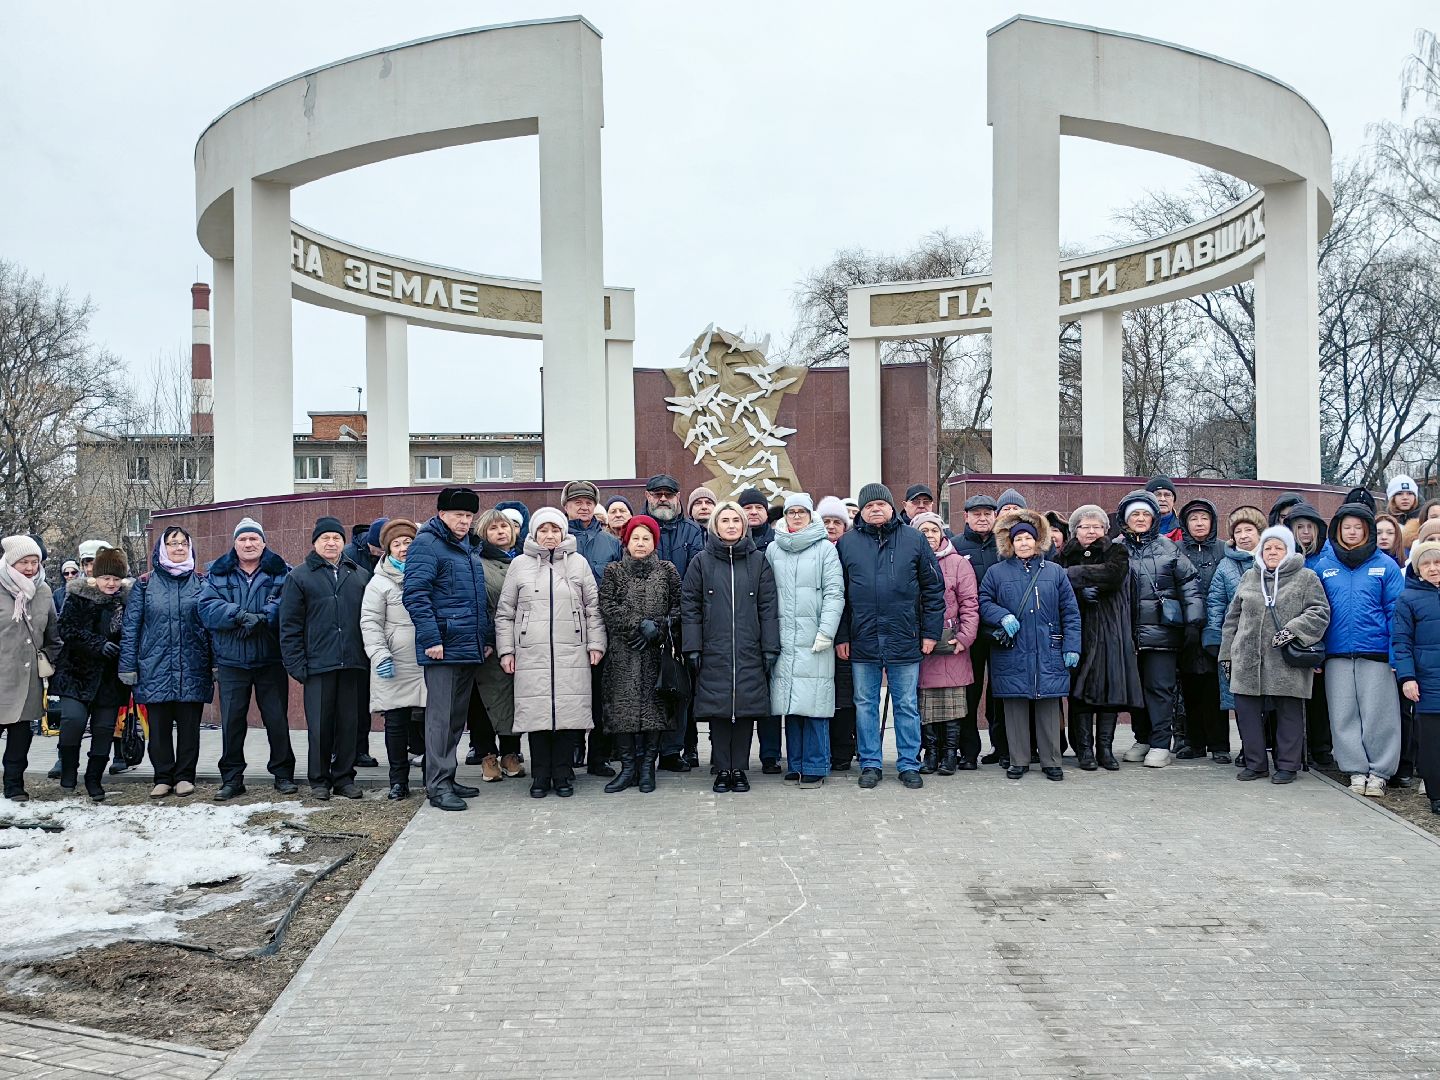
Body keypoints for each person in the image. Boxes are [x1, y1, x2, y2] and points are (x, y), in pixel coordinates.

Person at [835, 483, 944, 790]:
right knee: (865, 702)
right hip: (862, 638)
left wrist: (930, 633)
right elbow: (837, 595)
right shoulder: (847, 543)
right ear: (861, 511)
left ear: (892, 507)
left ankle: (909, 762)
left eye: (881, 504)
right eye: (869, 506)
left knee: (906, 704)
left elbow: (933, 590)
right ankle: (870, 763)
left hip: (905, 635)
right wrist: (842, 636)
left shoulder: (914, 539)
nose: (876, 509)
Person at [496, 507, 606, 799]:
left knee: (568, 715)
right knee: (537, 715)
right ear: (534, 533)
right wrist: (506, 650)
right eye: (543, 530)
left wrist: (596, 644)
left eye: (555, 530)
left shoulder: (578, 564)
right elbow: (505, 613)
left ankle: (563, 773)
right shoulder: (520, 564)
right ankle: (540, 775)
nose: (549, 536)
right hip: (531, 653)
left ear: (563, 532)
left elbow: (593, 609)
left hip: (572, 651)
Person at [402, 489, 492, 812]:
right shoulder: (427, 544)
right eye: (458, 516)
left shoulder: (467, 547)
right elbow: (415, 595)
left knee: (455, 719)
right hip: (442, 647)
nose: (465, 522)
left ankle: (447, 776)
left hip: (467, 646)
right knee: (440, 720)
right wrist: (431, 639)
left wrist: (485, 638)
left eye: (469, 517)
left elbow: (477, 599)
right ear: (442, 514)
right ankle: (437, 786)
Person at [1219, 526, 1331, 783]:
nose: (1272, 552)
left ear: (1288, 550)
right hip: (1247, 656)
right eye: (1267, 547)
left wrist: (1292, 631)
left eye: (1278, 547)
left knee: (1288, 712)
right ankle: (1256, 763)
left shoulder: (1306, 577)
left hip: (1286, 659)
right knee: (1246, 713)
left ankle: (1287, 766)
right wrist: (1226, 655)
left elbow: (1319, 612)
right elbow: (1231, 619)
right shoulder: (1249, 577)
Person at [682, 502, 779, 793]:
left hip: (749, 647)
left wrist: (770, 647)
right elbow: (690, 606)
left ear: (744, 525)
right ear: (715, 526)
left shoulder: (758, 560)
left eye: (735, 520)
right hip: (715, 648)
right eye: (724, 520)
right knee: (720, 711)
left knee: (745, 711)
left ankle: (740, 769)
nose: (731, 525)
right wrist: (692, 647)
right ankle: (722, 769)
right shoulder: (701, 561)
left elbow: (768, 606)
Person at [197, 517, 295, 800]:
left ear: (264, 542)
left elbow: (287, 603)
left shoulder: (281, 571)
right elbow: (206, 607)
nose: (249, 543)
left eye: (254, 538)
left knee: (276, 720)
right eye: (243, 539)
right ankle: (232, 778)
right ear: (235, 543)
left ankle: (283, 774)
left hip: (269, 660)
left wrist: (264, 617)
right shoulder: (217, 573)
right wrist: (239, 616)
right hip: (231, 662)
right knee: (232, 722)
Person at [979, 511, 1081, 780]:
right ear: (1010, 543)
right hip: (1013, 649)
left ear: (1038, 541)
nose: (1024, 543)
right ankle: (1018, 759)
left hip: (1048, 648)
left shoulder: (1055, 572)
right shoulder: (996, 572)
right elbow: (983, 602)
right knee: (1014, 707)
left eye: (1029, 538)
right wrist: (1002, 615)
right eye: (1019, 538)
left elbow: (1070, 611)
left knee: (1048, 704)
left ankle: (1051, 761)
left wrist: (1072, 646)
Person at [1313, 503, 1404, 797]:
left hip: (1376, 653)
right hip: (1336, 654)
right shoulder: (1324, 566)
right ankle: (1355, 769)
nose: (1352, 532)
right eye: (1346, 527)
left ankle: (1379, 773)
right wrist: (1316, 651)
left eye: (1358, 527)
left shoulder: (1385, 566)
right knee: (1343, 714)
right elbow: (1315, 611)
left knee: (1379, 715)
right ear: (1337, 530)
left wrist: (1395, 654)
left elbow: (1396, 613)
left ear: (1368, 531)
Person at [279, 516, 371, 801]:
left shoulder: (358, 574)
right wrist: (296, 665)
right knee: (320, 726)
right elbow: (289, 625)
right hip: (317, 665)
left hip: (353, 664)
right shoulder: (299, 576)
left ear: (343, 543)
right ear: (315, 543)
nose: (331, 543)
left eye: (336, 538)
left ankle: (344, 778)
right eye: (325, 539)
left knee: (349, 724)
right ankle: (319, 780)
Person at [119, 526, 213, 799]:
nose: (179, 548)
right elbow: (131, 627)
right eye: (172, 543)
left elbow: (210, 628)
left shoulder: (202, 583)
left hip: (193, 665)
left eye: (184, 543)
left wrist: (215, 663)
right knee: (158, 728)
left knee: (189, 727)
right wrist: (128, 666)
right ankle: (162, 776)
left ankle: (184, 776)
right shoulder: (145, 583)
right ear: (162, 549)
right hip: (155, 666)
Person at [1116, 490, 1203, 768]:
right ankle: (1142, 738)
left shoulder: (1168, 548)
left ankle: (1160, 743)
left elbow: (1189, 585)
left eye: (1145, 514)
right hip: (1127, 633)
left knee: (1159, 689)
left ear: (1153, 517)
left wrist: (1193, 622)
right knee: (1135, 690)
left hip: (1162, 634)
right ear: (1125, 519)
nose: (1140, 519)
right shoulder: (1116, 548)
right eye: (1135, 515)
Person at [598, 514, 682, 793]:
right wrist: (637, 625)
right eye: (636, 538)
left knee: (654, 711)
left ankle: (647, 768)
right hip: (623, 652)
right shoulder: (614, 570)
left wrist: (657, 629)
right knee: (622, 711)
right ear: (627, 540)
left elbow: (678, 607)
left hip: (655, 653)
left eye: (646, 538)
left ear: (654, 542)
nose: (641, 543)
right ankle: (628, 768)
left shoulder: (667, 570)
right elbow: (607, 606)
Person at [766, 494, 845, 787]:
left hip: (814, 639)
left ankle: (815, 764)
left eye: (802, 512)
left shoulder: (825, 549)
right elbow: (767, 595)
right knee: (790, 703)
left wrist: (827, 631)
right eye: (791, 512)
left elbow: (835, 592)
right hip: (784, 638)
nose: (796, 517)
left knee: (814, 704)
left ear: (811, 515)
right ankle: (795, 763)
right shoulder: (774, 549)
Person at [1060, 505, 1143, 771]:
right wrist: (1080, 592)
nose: (1092, 531)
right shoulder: (1064, 555)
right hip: (1078, 631)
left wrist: (1075, 577)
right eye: (1085, 526)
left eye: (1097, 526)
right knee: (1080, 691)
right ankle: (1084, 749)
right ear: (1075, 531)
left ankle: (1105, 749)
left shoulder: (1117, 551)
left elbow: (1113, 574)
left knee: (1110, 690)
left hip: (1111, 631)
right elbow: (1056, 584)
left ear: (1106, 530)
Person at [52, 545, 130, 801]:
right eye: (106, 578)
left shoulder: (126, 601)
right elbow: (66, 629)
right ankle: (68, 770)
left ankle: (94, 778)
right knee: (72, 721)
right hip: (76, 672)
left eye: (116, 579)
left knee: (105, 729)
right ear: (95, 576)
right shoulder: (78, 596)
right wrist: (97, 644)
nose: (111, 583)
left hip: (109, 679)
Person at [360, 519, 426, 800]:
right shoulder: (379, 582)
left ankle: (434, 777)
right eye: (396, 544)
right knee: (396, 723)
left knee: (430, 723)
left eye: (408, 542)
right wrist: (379, 654)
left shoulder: (428, 573)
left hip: (427, 659)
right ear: (388, 549)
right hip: (394, 661)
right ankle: (398, 780)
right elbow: (370, 622)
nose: (403, 549)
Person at [912, 511, 979, 775]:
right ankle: (931, 753)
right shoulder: (911, 560)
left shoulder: (959, 563)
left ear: (942, 533)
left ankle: (950, 754)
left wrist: (965, 637)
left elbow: (970, 604)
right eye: (923, 530)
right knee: (926, 705)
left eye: (933, 530)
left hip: (951, 643)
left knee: (951, 705)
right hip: (921, 645)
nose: (929, 535)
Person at [564, 480, 622, 779]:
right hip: (566, 629)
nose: (583, 506)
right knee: (572, 691)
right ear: (567, 506)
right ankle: (573, 748)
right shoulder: (558, 540)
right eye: (577, 501)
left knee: (602, 695)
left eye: (588, 501)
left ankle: (599, 755)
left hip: (602, 627)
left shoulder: (611, 542)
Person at [647, 474, 706, 771]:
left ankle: (673, 751)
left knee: (679, 691)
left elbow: (696, 580)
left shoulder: (693, 532)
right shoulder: (639, 529)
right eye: (656, 493)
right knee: (646, 690)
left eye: (668, 494)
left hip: (681, 625)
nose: (662, 498)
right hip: (646, 627)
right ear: (647, 496)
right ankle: (646, 754)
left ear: (678, 496)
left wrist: (679, 616)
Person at [1203, 505, 1267, 764]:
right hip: (1238, 642)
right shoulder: (1226, 565)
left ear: (1260, 533)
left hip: (1268, 641)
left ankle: (1269, 748)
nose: (1243, 535)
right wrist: (1216, 636)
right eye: (1238, 531)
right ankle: (1248, 749)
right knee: (1241, 699)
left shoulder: (1271, 559)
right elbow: (1216, 601)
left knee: (1268, 698)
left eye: (1248, 530)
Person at [465, 509, 525, 782]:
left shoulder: (525, 560)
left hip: (520, 644)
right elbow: (479, 605)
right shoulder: (476, 563)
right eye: (493, 528)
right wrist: (488, 637)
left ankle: (511, 753)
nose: (501, 532)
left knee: (513, 700)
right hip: (489, 645)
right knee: (484, 702)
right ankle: (487, 755)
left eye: (505, 526)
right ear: (483, 534)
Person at [1, 536, 61, 802]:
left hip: (27, 678)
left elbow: (53, 637)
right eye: (24, 561)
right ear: (11, 562)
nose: (29, 567)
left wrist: (47, 657)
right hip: (1, 674)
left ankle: (14, 785)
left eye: (34, 562)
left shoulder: (44, 591)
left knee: (20, 736)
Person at [1284, 500, 1337, 768]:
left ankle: (1321, 748)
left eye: (1309, 527)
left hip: (1322, 638)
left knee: (1320, 700)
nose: (1305, 532)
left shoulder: (1328, 560)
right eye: (1299, 527)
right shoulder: (1284, 560)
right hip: (1292, 638)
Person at [954, 494, 1004, 768]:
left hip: (999, 631)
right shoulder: (956, 545)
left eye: (987, 513)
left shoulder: (1005, 544)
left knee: (999, 693)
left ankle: (1001, 749)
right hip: (968, 632)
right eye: (977, 514)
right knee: (969, 694)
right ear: (966, 517)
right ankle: (968, 752)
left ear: (995, 516)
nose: (982, 518)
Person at [1175, 498, 1228, 761]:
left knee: (1215, 687)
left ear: (1212, 522)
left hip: (1217, 627)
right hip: (1185, 628)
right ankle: (1194, 743)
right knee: (1190, 686)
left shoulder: (1223, 549)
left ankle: (1219, 745)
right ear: (1185, 523)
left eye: (1204, 518)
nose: (1199, 523)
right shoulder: (1175, 549)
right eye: (1193, 519)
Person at [1391, 538, 1440, 814]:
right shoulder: (1408, 599)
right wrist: (1407, 678)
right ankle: (1437, 795)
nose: (1433, 568)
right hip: (1427, 683)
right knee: (1432, 743)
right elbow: (1402, 642)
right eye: (1426, 563)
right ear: (1417, 569)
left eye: (1437, 562)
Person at [816, 496, 857, 771]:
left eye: (836, 522)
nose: (831, 527)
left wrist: (843, 635)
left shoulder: (849, 552)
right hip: (815, 635)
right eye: (826, 521)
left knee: (844, 695)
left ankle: (843, 751)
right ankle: (822, 750)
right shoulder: (813, 550)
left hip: (845, 635)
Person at [1388, 474, 1422, 547]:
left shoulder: (1426, 520)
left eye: (1410, 493)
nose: (1405, 497)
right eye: (1400, 494)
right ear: (1392, 498)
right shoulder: (1384, 522)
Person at [1146, 476, 1183, 540]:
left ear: (1173, 500)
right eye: (1157, 494)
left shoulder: (1184, 530)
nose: (1162, 499)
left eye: (1167, 495)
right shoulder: (1138, 528)